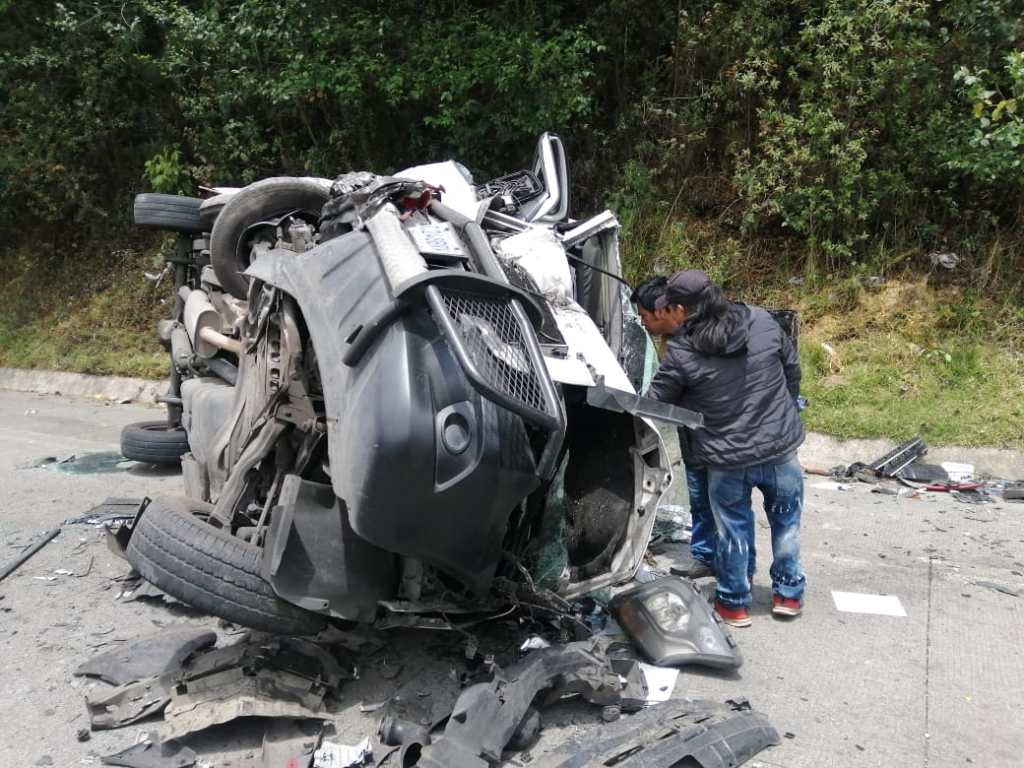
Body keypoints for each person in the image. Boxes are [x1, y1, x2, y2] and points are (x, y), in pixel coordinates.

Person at [646, 269, 806, 627]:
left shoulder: (683, 351)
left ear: (682, 310)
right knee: (786, 525)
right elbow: (792, 371)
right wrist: (784, 412)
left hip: (726, 459)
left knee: (733, 529)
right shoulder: (761, 321)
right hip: (780, 452)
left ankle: (734, 604)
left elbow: (656, 403)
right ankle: (788, 596)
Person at [630, 277, 716, 578]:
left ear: (663, 310)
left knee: (728, 507)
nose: (642, 323)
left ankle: (733, 575)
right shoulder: (670, 342)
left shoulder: (703, 339)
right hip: (693, 435)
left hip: (719, 436)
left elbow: (663, 394)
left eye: (644, 316)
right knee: (701, 498)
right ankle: (707, 557)